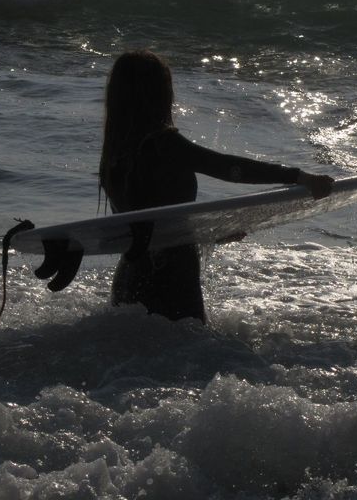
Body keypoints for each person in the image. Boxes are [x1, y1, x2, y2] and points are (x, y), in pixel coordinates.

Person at [98, 50, 334, 323]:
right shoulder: (164, 143)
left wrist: (208, 233)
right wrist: (297, 176)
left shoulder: (115, 151)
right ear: (159, 94)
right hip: (171, 276)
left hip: (130, 278)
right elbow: (227, 168)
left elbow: (145, 223)